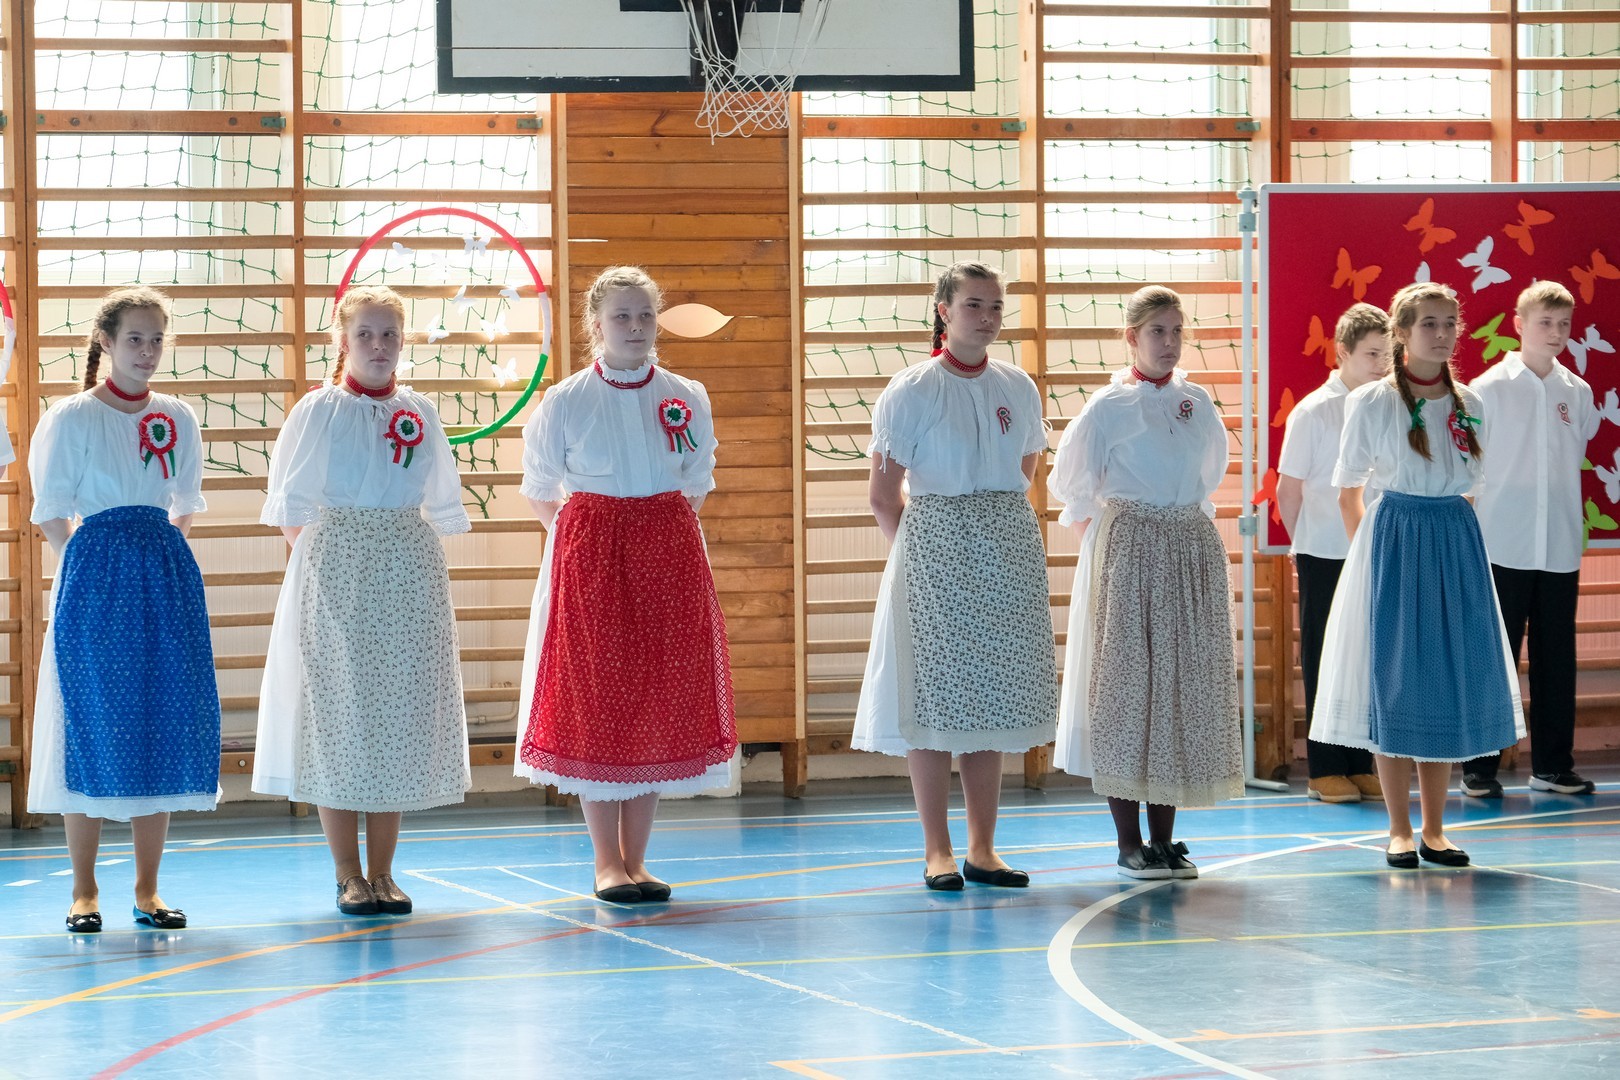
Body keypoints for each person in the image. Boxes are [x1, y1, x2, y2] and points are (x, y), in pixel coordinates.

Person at [515, 266, 737, 904]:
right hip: (592, 560)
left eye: (644, 315)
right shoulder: (565, 400)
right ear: (596, 325)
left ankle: (637, 859)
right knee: (597, 702)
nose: (635, 327)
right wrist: (588, 538)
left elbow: (697, 476)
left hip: (668, 553)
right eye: (621, 317)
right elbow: (539, 488)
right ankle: (605, 861)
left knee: (656, 700)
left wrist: (654, 533)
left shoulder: (685, 394)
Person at [254, 284, 471, 916]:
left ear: (403, 341)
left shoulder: (418, 410)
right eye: (365, 335)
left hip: (407, 566)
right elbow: (292, 506)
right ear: (342, 341)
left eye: (389, 335)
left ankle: (384, 871)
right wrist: (328, 563)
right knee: (341, 716)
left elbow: (437, 491)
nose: (379, 346)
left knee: (395, 717)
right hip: (339, 568)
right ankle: (347, 873)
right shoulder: (319, 410)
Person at [853, 261, 1057, 891]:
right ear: (943, 311)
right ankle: (936, 849)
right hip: (934, 550)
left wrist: (991, 531)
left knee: (989, 697)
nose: (987, 317)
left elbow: (1023, 469)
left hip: (1005, 547)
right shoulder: (911, 390)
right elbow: (883, 494)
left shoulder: (1017, 386)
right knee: (934, 698)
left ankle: (983, 848)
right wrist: (920, 558)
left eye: (995, 306)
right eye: (973, 305)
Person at [1313, 282, 1524, 868]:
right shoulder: (1373, 402)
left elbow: (1472, 487)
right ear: (1402, 333)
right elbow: (1349, 491)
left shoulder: (1471, 403)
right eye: (1429, 323)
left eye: (1449, 323)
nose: (1442, 333)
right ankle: (1399, 829)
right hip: (1395, 544)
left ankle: (1435, 829)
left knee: (1444, 681)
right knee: (1396, 683)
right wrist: (1370, 564)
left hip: (1454, 542)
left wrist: (1453, 552)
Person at [28, 287, 218, 932]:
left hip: (163, 579)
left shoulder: (178, 416)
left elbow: (184, 501)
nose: (147, 351)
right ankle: (84, 891)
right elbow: (51, 509)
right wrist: (90, 562)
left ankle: (147, 889)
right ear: (106, 342)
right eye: (134, 338)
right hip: (96, 579)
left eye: (156, 339)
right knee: (92, 722)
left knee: (156, 722)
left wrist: (160, 557)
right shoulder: (73, 417)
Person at [1051, 285, 1242, 880]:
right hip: (1131, 552)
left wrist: (1180, 534)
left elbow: (1209, 473)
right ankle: (1128, 841)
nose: (1169, 342)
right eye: (1157, 331)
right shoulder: (1108, 407)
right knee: (1128, 691)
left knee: (1179, 690)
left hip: (1188, 548)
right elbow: (1073, 489)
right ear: (1132, 338)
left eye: (1177, 331)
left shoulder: (1197, 402)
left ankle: (1165, 839)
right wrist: (1114, 547)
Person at [1463, 280, 1598, 798]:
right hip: (1501, 542)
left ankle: (1553, 766)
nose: (1556, 332)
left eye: (1564, 324)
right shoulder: (1487, 389)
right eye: (1545, 323)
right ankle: (1479, 768)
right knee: (1493, 656)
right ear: (1519, 325)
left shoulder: (1577, 391)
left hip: (1558, 544)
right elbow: (1471, 465)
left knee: (1556, 657)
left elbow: (1570, 458)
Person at [1277, 303, 1392, 804]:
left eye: (1388, 354)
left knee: (1366, 659)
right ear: (1342, 352)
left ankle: (1359, 763)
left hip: (1375, 549)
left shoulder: (1388, 405)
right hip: (1324, 551)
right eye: (1371, 354)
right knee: (1324, 656)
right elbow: (1289, 489)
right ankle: (1324, 768)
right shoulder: (1314, 411)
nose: (1382, 365)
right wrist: (1302, 543)